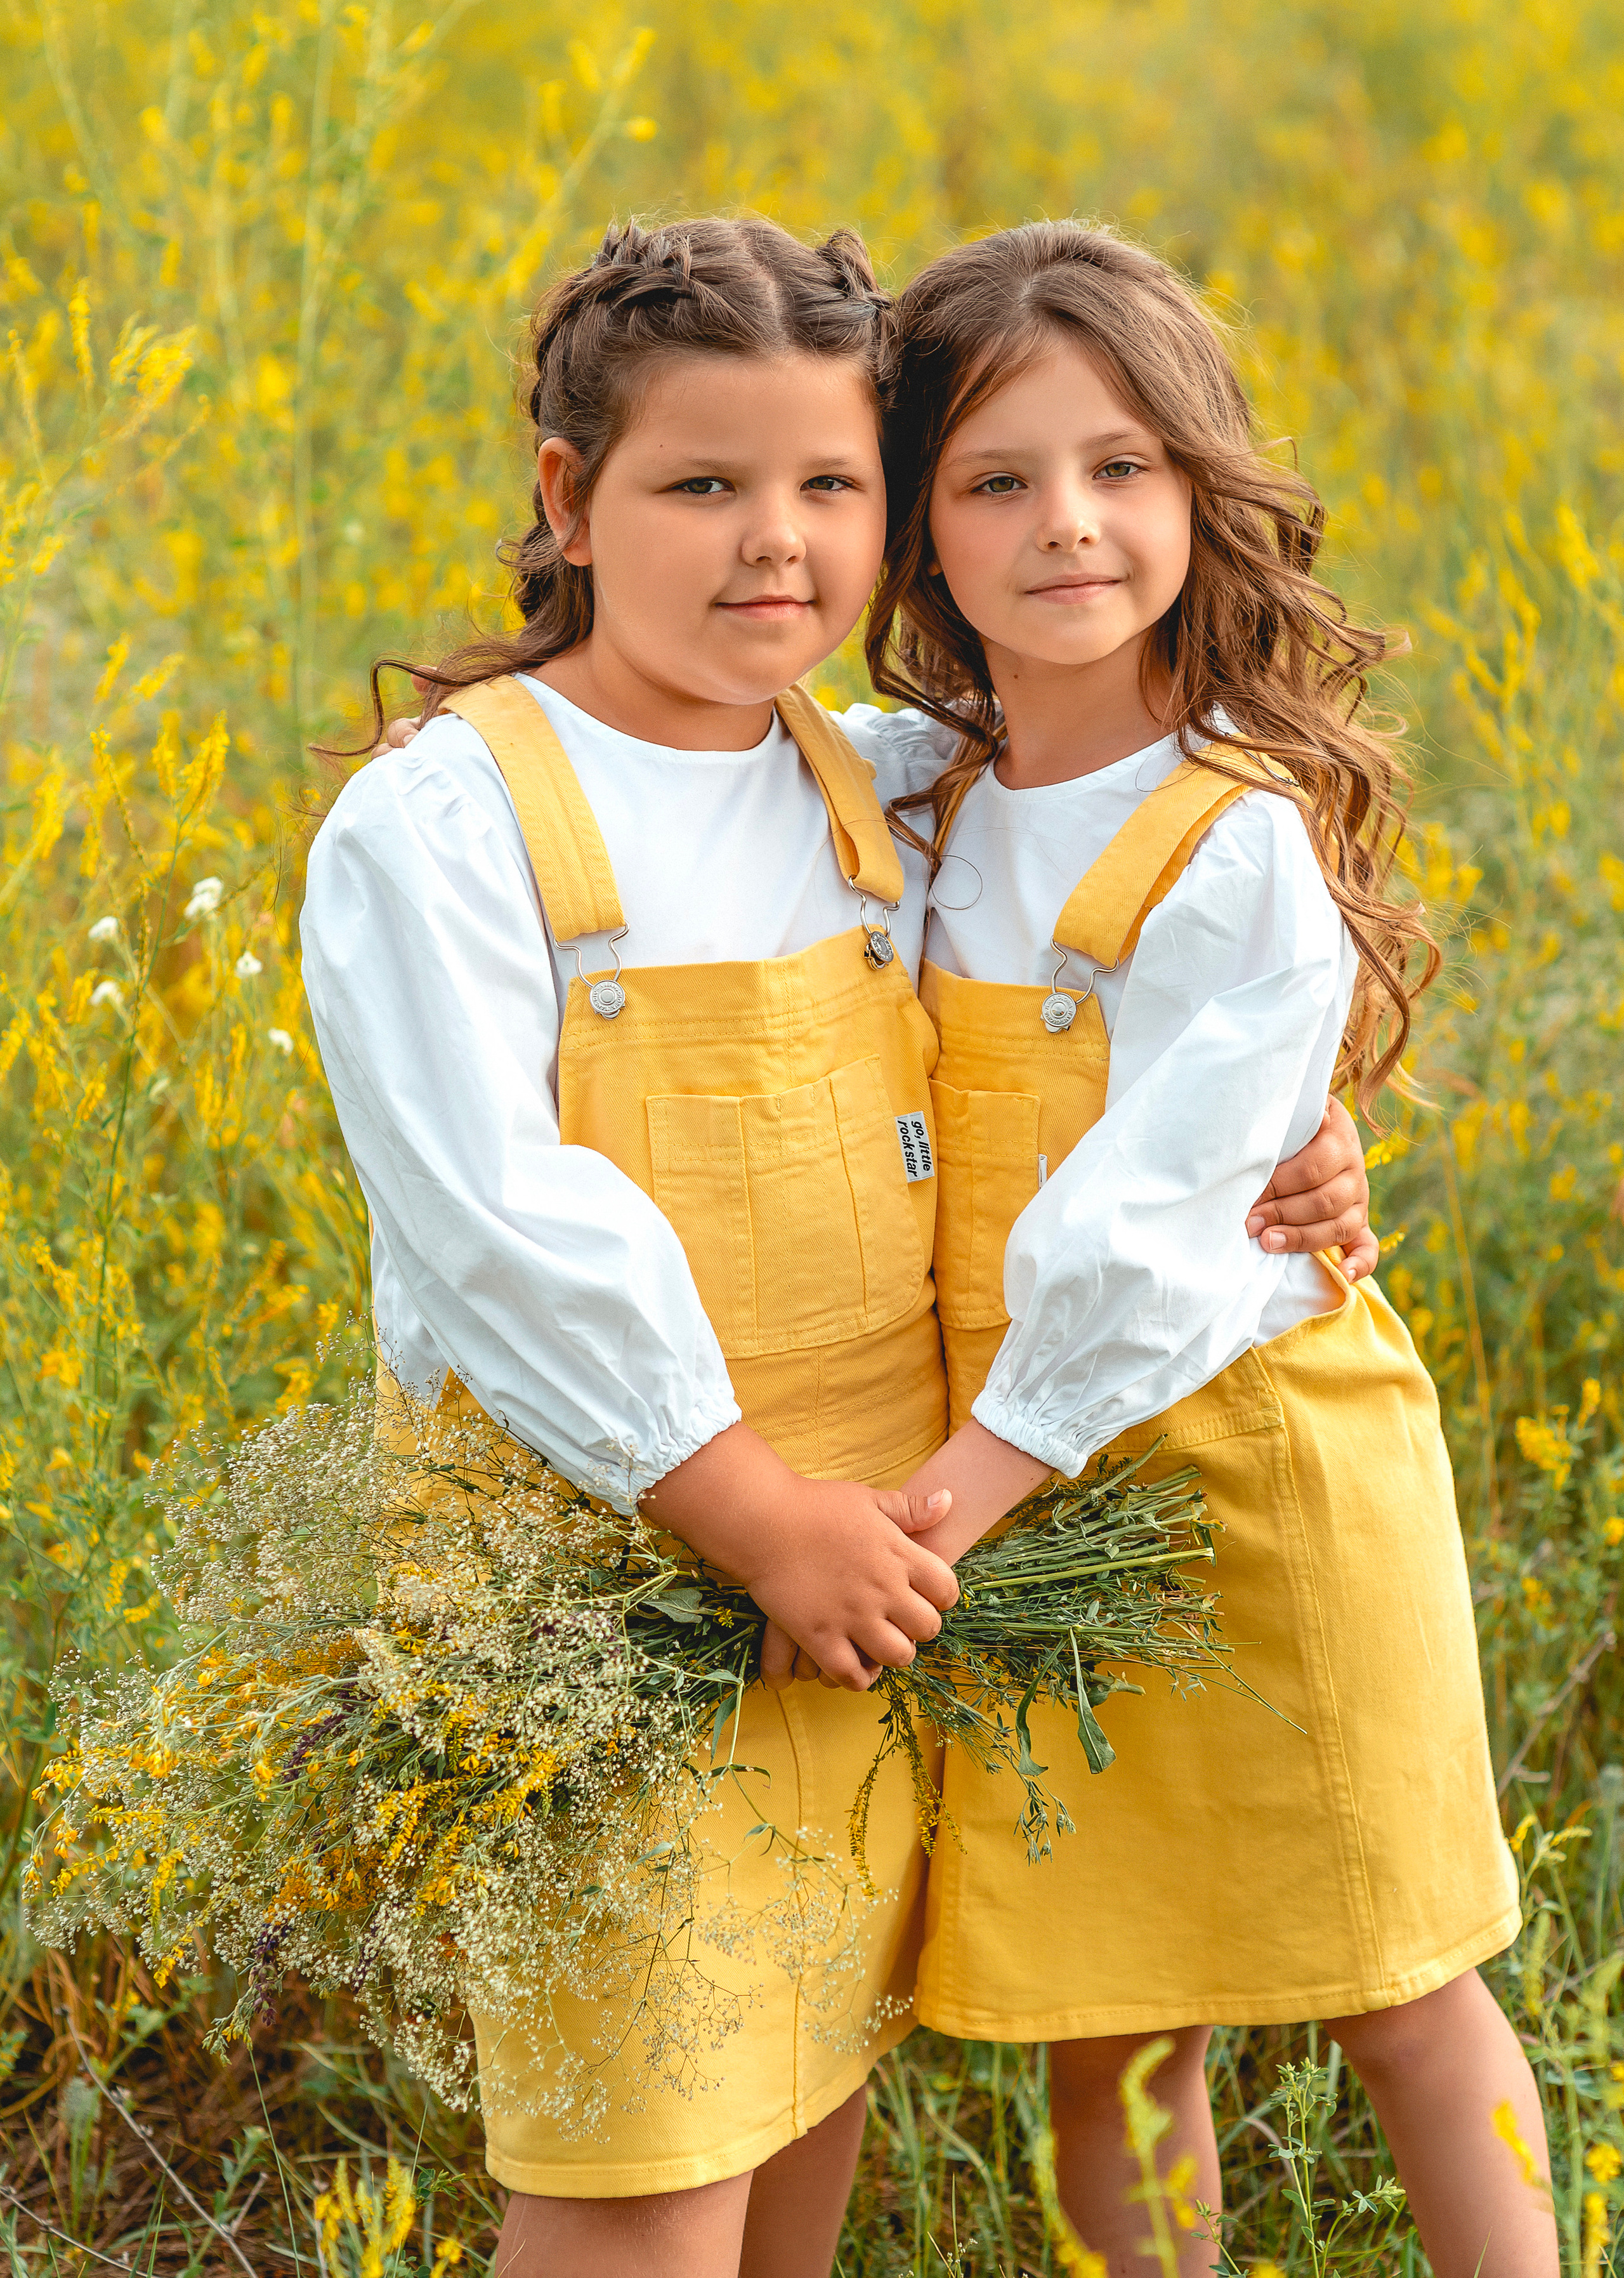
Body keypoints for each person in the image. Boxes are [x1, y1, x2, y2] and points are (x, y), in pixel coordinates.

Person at [340, 212, 1375, 2278]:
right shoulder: (454, 822)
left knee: (797, 2090)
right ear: (569, 498)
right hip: (619, 1565)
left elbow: (1104, 951)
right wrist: (743, 1510)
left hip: (868, 1564)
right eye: (699, 486)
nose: (773, 547)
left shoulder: (884, 786)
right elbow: (501, 1225)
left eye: (829, 487)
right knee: (641, 2153)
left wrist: (1299, 1131)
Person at [858, 221, 1549, 2278]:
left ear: (1199, 490)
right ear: (916, 529)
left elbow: (1149, 1230)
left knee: (1402, 1975)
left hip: (1246, 1471)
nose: (1066, 522)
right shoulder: (904, 800)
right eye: (995, 479)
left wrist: (948, 1499)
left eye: (1121, 467)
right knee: (1107, 2004)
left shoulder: (1233, 832)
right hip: (1021, 1489)